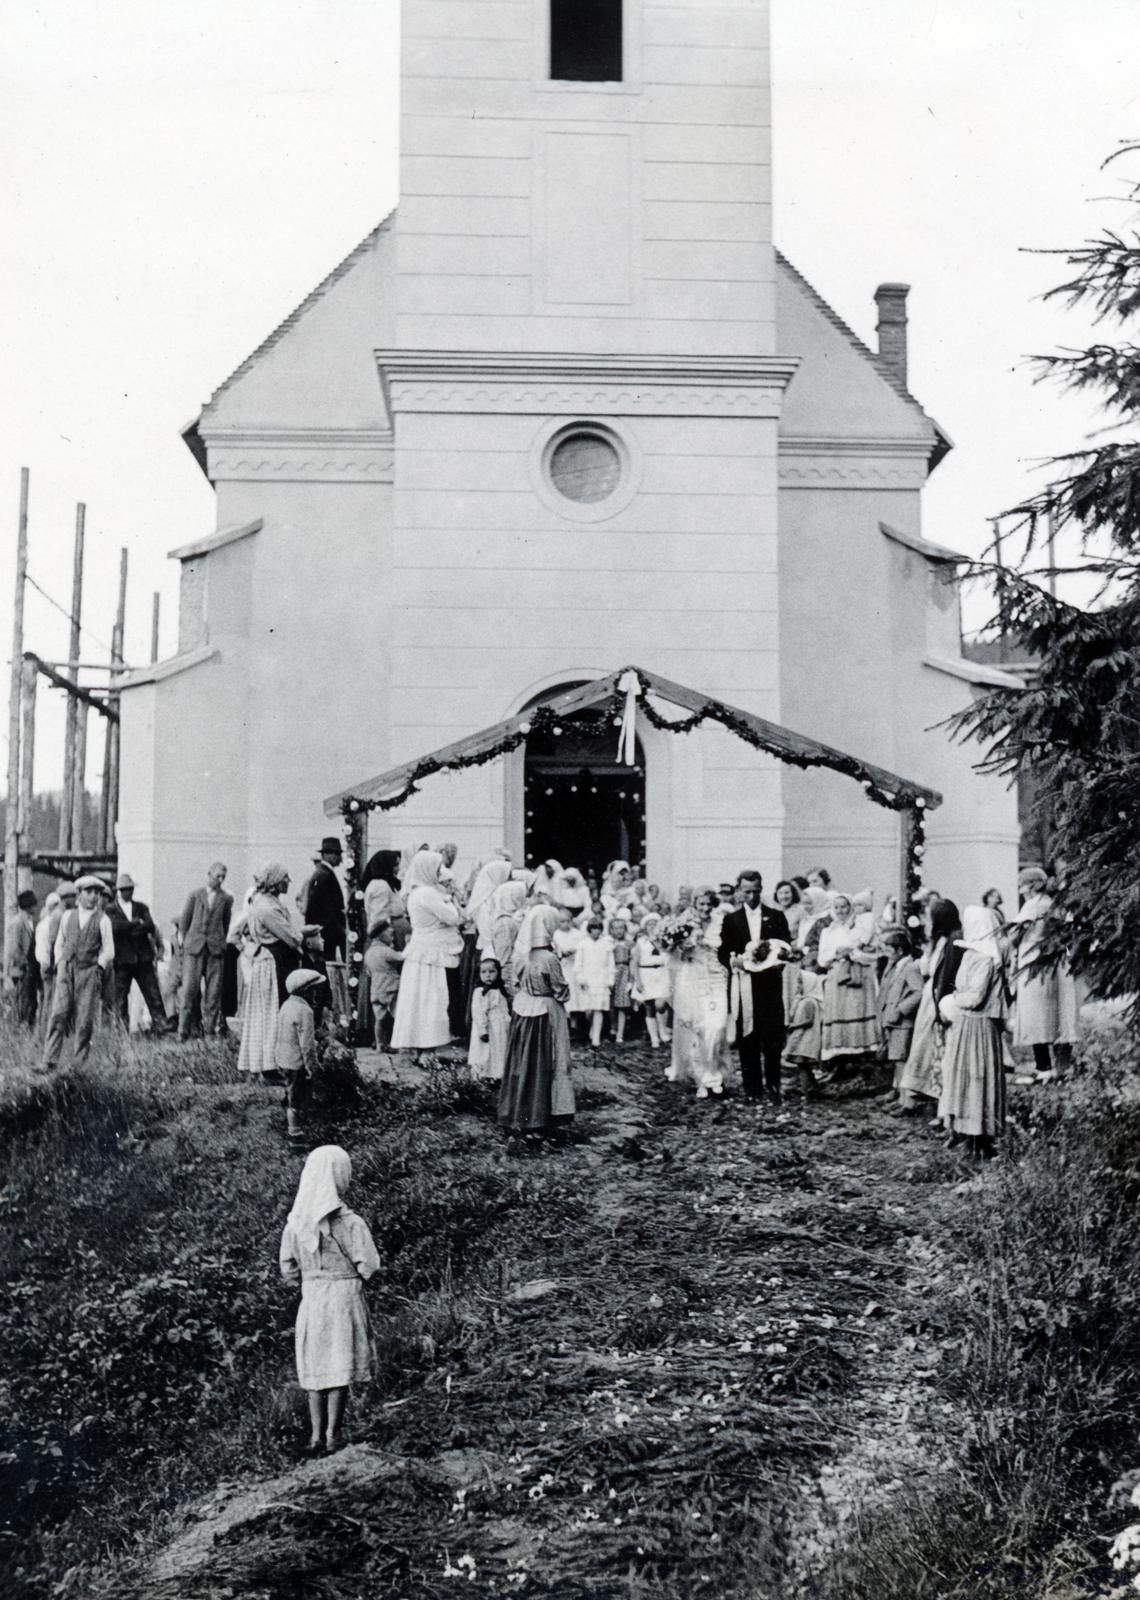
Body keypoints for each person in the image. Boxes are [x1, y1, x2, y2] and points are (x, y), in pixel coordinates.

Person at [279, 1145, 379, 1455]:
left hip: (312, 1299)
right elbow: (369, 1265)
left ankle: (315, 1436)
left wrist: (309, 1279)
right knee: (339, 1365)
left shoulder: (296, 1225)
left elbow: (287, 1267)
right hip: (343, 1297)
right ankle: (334, 1432)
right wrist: (353, 1277)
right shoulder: (351, 1223)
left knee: (317, 1368)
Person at [499, 904, 575, 1141]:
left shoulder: (520, 954)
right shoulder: (550, 958)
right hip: (544, 1012)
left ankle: (517, 1114)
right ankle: (538, 1118)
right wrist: (562, 994)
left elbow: (514, 981)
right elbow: (560, 989)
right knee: (543, 1063)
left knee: (522, 1063)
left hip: (523, 1009)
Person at [937, 906, 1008, 1156]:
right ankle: (962, 1130)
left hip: (979, 1025)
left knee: (979, 1076)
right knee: (963, 1076)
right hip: (966, 1024)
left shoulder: (986, 958)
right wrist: (958, 997)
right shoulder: (969, 954)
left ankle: (980, 1137)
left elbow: (976, 997)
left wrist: (955, 999)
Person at [718, 870, 791, 1102]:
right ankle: (752, 1089)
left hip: (769, 984)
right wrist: (733, 961)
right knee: (747, 1035)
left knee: (772, 1036)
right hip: (744, 984)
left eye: (756, 891)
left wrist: (778, 962)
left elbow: (785, 947)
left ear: (761, 889)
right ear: (739, 891)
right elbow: (723, 951)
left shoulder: (776, 916)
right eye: (747, 891)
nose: (751, 896)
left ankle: (773, 1085)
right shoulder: (731, 919)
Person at [390, 850, 463, 1054]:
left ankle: (421, 1049)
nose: (440, 872)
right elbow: (452, 918)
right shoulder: (427, 893)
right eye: (437, 868)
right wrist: (451, 901)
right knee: (431, 1000)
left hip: (422, 951)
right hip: (431, 954)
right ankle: (427, 1049)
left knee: (420, 1000)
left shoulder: (418, 892)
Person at [894, 898, 963, 1114]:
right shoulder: (938, 941)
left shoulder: (952, 941)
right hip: (929, 994)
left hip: (937, 996)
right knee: (921, 1047)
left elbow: (946, 973)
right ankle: (911, 1099)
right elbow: (925, 968)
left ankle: (927, 1101)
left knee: (930, 1046)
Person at [40, 876, 115, 1070]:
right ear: (79, 894)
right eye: (88, 892)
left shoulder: (103, 920)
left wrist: (99, 966)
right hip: (67, 969)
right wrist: (60, 963)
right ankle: (49, 1060)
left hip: (89, 971)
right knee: (58, 1013)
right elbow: (59, 942)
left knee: (84, 1019)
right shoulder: (68, 916)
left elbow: (109, 950)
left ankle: (78, 1064)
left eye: (97, 893)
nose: (93, 897)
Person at [237, 862, 304, 1077]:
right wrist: (303, 935)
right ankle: (270, 1065)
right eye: (285, 878)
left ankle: (273, 1062)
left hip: (276, 960)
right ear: (275, 881)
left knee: (270, 1012)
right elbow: (291, 938)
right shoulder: (266, 907)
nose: (288, 882)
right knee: (273, 1012)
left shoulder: (266, 902)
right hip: (274, 963)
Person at [1010, 866, 1077, 1076]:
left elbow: (1014, 935)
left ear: (1030, 886)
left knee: (1036, 1014)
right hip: (1055, 962)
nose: (1020, 889)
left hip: (1034, 962)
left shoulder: (1032, 906)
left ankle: (1043, 1066)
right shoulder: (1054, 905)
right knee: (1058, 1013)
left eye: (1022, 884)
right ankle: (1061, 1066)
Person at [667, 888, 729, 1098]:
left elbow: (727, 949)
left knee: (717, 1026)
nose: (705, 908)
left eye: (708, 904)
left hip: (716, 977)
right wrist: (682, 945)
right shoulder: (684, 922)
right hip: (692, 977)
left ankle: (715, 1071)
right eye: (701, 904)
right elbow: (673, 954)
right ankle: (702, 1078)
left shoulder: (721, 922)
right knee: (697, 1029)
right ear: (695, 904)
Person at [817, 892, 881, 1070]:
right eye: (836, 907)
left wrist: (853, 954)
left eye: (844, 906)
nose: (840, 911)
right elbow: (822, 960)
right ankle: (840, 1062)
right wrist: (836, 953)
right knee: (839, 1014)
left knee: (859, 1011)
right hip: (837, 978)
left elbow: (873, 954)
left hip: (859, 977)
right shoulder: (828, 931)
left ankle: (863, 1062)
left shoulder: (862, 928)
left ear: (851, 907)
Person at [107, 873, 174, 1033]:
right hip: (122, 960)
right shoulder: (111, 909)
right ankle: (121, 1029)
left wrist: (129, 928)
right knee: (121, 997)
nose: (129, 892)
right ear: (119, 891)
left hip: (143, 958)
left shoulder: (142, 907)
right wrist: (136, 924)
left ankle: (160, 1024)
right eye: (125, 889)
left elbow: (149, 925)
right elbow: (115, 927)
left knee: (153, 993)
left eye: (130, 889)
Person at [177, 861, 234, 1039]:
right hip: (194, 949)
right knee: (188, 991)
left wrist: (219, 942)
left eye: (223, 877)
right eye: (217, 876)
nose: (220, 880)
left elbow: (226, 923)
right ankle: (183, 1031)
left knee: (213, 993)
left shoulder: (226, 899)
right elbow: (184, 922)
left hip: (215, 950)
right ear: (209, 874)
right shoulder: (195, 895)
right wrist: (186, 943)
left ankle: (209, 1031)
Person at [275, 969, 326, 1141]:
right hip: (297, 1062)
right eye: (315, 989)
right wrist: (313, 1067)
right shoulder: (305, 1011)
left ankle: (290, 1123)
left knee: (290, 1090)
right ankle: (294, 1133)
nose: (317, 993)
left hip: (283, 1059)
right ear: (306, 991)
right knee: (297, 1097)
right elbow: (307, 1045)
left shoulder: (287, 1005)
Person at [877, 928, 924, 1071]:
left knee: (900, 1059)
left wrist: (900, 1010)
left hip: (903, 1023)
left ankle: (904, 1094)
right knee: (895, 1057)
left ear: (899, 951)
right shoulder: (894, 966)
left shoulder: (910, 968)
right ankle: (897, 1090)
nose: (886, 954)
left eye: (889, 951)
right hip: (893, 1021)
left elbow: (919, 992)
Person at [301, 837, 346, 966]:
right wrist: (338, 929)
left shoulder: (324, 873)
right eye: (336, 854)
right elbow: (321, 907)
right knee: (327, 964)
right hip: (326, 932)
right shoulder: (324, 875)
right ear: (326, 855)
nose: (340, 858)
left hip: (326, 930)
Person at [362, 916, 404, 1051]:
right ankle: (402, 1043)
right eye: (389, 933)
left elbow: (368, 972)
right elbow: (401, 957)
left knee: (380, 1019)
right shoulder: (385, 951)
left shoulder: (369, 953)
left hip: (376, 990)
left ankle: (380, 1043)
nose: (392, 934)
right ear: (381, 935)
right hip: (390, 988)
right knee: (399, 1015)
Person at [574, 915, 615, 1048]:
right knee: (588, 1009)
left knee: (599, 1009)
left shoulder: (606, 944)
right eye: (594, 929)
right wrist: (581, 978)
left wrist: (610, 979)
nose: (596, 931)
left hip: (601, 979)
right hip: (587, 979)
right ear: (589, 930)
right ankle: (591, 1029)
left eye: (598, 928)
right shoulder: (583, 945)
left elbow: (610, 964)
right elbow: (578, 964)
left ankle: (596, 1037)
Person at [36, 884, 73, 1027]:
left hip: (48, 963)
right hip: (51, 965)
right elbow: (53, 942)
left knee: (49, 998)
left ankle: (46, 1027)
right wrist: (53, 965)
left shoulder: (50, 918)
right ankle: (47, 1028)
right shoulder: (59, 915)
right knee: (51, 998)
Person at [632, 912, 671, 1049]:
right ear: (645, 927)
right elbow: (635, 962)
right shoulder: (641, 942)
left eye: (655, 924)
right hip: (646, 973)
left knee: (661, 1004)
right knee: (649, 1006)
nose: (652, 926)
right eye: (649, 924)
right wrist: (638, 981)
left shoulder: (665, 940)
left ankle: (663, 1030)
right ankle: (654, 1038)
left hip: (661, 973)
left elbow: (670, 956)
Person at [469, 955, 510, 1082]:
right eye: (484, 972)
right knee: (484, 1051)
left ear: (498, 973)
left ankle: (497, 1075)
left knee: (498, 1050)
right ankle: (482, 1076)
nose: (488, 975)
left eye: (492, 972)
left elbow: (504, 1009)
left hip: (499, 1026)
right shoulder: (480, 992)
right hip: (487, 1027)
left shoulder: (499, 990)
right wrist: (482, 1030)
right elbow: (478, 1012)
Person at [488, 879, 528, 998]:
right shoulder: (505, 922)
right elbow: (504, 958)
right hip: (510, 976)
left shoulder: (512, 918)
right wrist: (507, 985)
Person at [6, 888, 39, 1025]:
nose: (36, 907)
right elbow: (14, 949)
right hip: (21, 970)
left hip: (29, 969)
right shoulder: (17, 923)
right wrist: (23, 964)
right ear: (28, 905)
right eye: (33, 904)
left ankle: (27, 1029)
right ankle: (19, 1029)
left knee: (31, 1001)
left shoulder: (29, 921)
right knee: (22, 1002)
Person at [608, 914, 634, 1046]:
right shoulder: (608, 942)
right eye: (616, 928)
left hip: (624, 971)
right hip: (611, 971)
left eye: (621, 928)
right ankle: (613, 1027)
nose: (618, 931)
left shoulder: (629, 943)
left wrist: (631, 978)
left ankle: (620, 1033)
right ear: (611, 930)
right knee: (611, 1003)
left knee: (622, 1004)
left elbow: (633, 960)